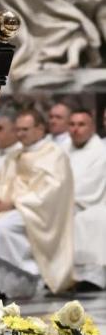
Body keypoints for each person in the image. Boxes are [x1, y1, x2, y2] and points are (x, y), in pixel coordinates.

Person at [0, 109, 74, 298]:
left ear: (40, 129)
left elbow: (53, 192)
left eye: (25, 129)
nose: (20, 134)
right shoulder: (14, 155)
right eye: (17, 129)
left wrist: (14, 203)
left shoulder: (54, 154)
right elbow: (0, 182)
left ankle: (9, 286)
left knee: (2, 228)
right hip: (11, 207)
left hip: (36, 211)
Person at [67, 109, 106, 291]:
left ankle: (92, 277)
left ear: (92, 127)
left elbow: (91, 184)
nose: (76, 129)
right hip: (75, 200)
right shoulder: (63, 149)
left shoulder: (100, 150)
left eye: (81, 124)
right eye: (72, 124)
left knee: (90, 219)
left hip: (91, 200)